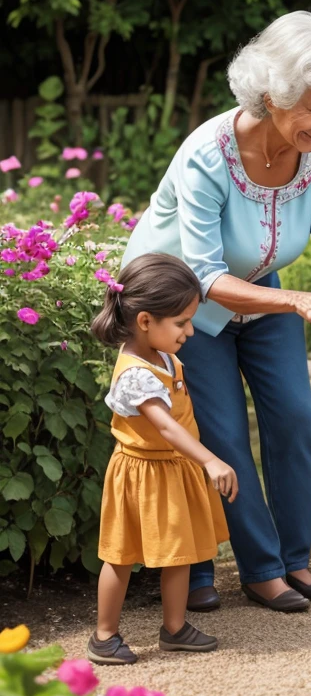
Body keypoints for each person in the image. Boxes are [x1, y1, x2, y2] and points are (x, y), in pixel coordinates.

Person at [122, 12, 311, 613]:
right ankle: (259, 570)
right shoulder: (208, 152)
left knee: (295, 417)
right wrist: (299, 300)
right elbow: (202, 275)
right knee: (224, 430)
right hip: (182, 309)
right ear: (272, 94)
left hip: (263, 289)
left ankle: (295, 560)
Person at [87, 254, 237, 665]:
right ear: (146, 321)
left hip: (172, 469)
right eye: (181, 322)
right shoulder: (136, 372)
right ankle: (104, 636)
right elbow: (167, 426)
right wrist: (211, 461)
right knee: (120, 556)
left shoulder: (164, 356)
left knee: (182, 551)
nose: (189, 331)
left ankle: (174, 628)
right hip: (142, 474)